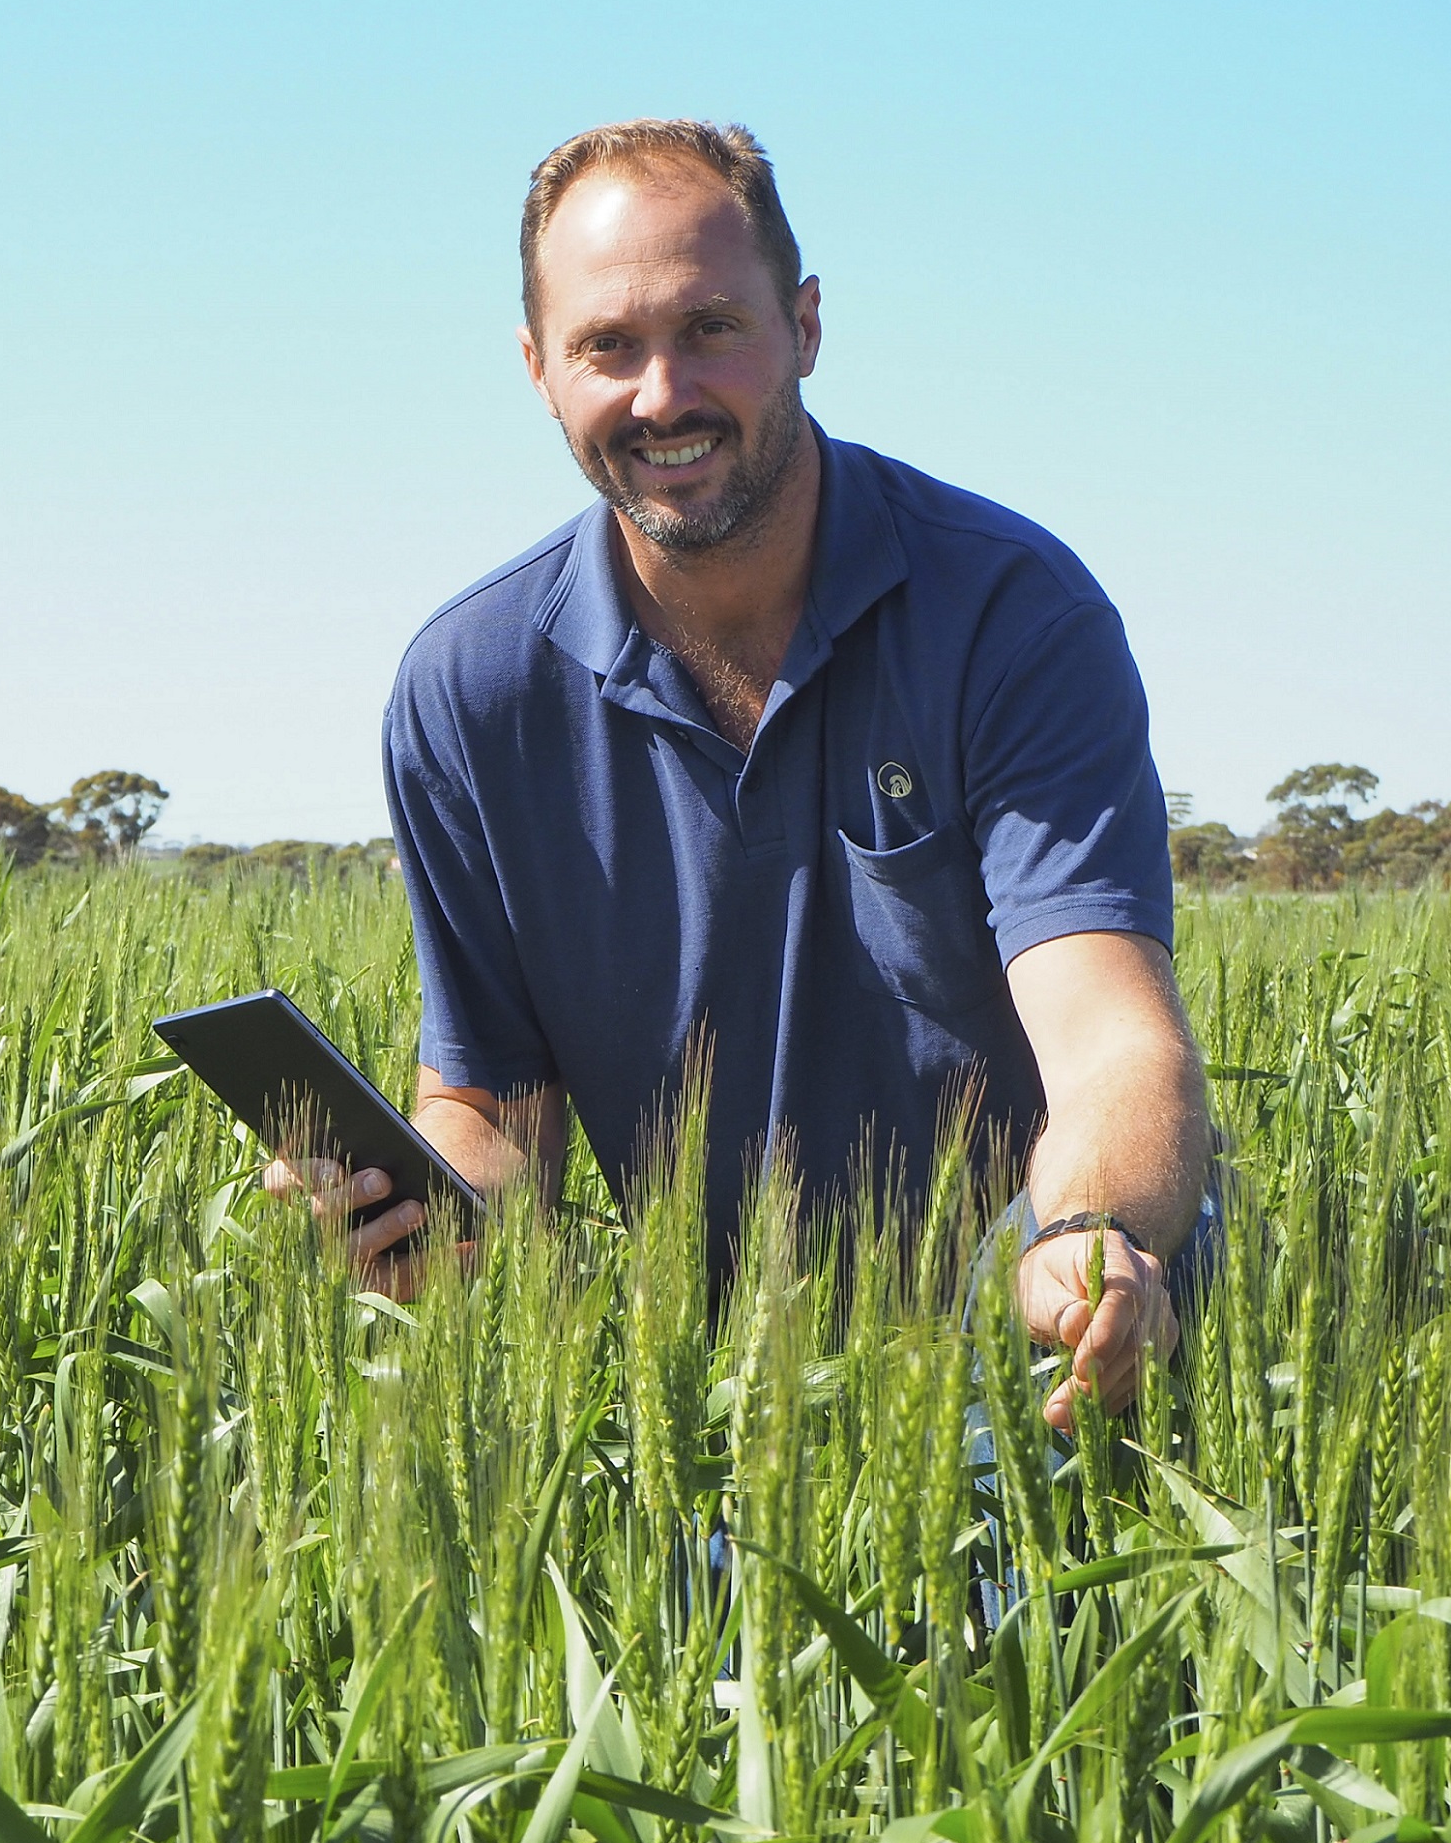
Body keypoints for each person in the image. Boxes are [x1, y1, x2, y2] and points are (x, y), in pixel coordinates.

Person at [268, 120, 1211, 1433]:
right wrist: (428, 1211)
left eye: (712, 328)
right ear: (539, 370)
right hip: (729, 1397)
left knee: (1002, 1584)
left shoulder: (1009, 612)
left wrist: (1091, 1233)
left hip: (1041, 1325)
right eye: (608, 346)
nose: (662, 395)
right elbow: (492, 1109)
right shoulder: (469, 689)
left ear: (807, 327)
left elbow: (1113, 1032)